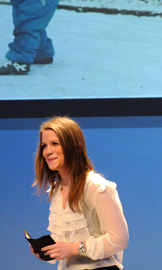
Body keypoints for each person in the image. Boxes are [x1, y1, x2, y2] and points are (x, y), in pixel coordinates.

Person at [31, 116, 129, 270]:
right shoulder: (57, 189)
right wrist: (48, 250)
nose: (47, 151)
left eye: (55, 144)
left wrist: (73, 248)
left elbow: (119, 239)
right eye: (44, 145)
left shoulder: (97, 187)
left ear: (72, 146)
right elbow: (68, 239)